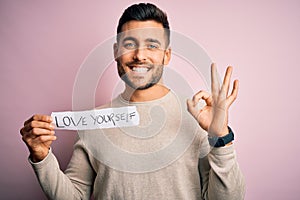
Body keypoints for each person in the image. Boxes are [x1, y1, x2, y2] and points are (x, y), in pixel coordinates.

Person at [20, 3, 245, 200]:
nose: (139, 55)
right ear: (116, 52)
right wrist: (42, 157)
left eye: (152, 45)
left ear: (166, 55)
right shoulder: (93, 122)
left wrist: (220, 136)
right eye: (129, 44)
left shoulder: (199, 119)